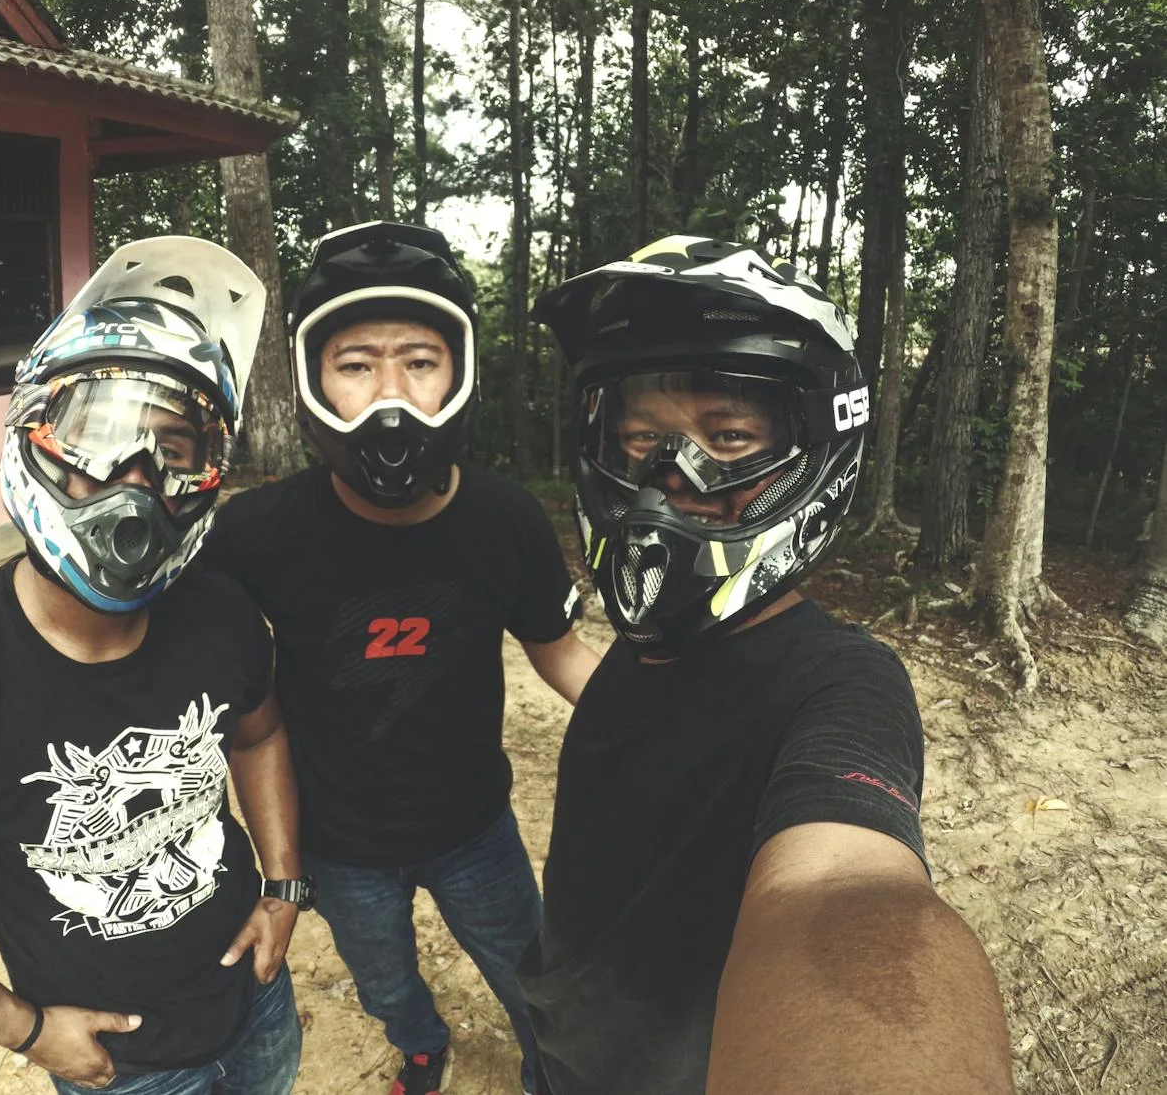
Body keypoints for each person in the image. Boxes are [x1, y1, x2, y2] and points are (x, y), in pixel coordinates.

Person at [0, 238, 311, 1095]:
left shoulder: (222, 613)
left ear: (205, 474)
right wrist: (26, 1029)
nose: (134, 475)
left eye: (174, 447)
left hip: (257, 1003)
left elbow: (259, 736)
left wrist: (285, 885)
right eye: (100, 432)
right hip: (118, 1067)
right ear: (36, 433)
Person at [520, 235, 1016, 1094]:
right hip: (566, 1041)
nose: (671, 477)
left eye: (730, 436)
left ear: (816, 448)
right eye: (641, 438)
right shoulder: (646, 648)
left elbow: (848, 893)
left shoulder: (840, 681)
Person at [201, 221, 599, 1095]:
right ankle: (420, 1045)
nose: (392, 394)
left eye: (420, 361)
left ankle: (553, 1074)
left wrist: (670, 717)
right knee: (383, 978)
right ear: (313, 379)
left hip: (475, 828)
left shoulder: (506, 521)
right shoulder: (258, 533)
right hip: (339, 842)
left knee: (533, 976)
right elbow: (204, 677)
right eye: (357, 364)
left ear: (458, 373)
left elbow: (561, 653)